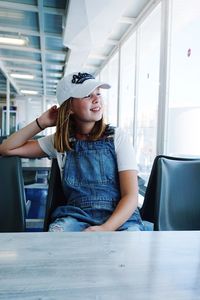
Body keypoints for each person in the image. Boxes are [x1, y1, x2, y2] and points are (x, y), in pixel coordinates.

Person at [0, 72, 149, 232]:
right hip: (76, 217)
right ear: (69, 107)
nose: (97, 98)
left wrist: (105, 229)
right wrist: (41, 122)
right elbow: (6, 148)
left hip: (120, 219)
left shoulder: (117, 137)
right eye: (87, 95)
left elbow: (131, 196)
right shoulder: (59, 142)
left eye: (98, 93)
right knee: (57, 240)